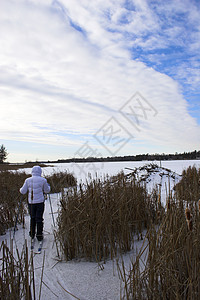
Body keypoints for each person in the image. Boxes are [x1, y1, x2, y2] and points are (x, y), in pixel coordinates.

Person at [20, 165, 50, 241]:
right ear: (40, 172)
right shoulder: (43, 180)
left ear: (32, 172)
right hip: (40, 202)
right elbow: (47, 191)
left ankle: (32, 234)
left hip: (31, 203)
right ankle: (39, 235)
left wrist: (20, 189)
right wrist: (48, 187)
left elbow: (23, 191)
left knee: (32, 217)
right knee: (39, 218)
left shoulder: (27, 180)